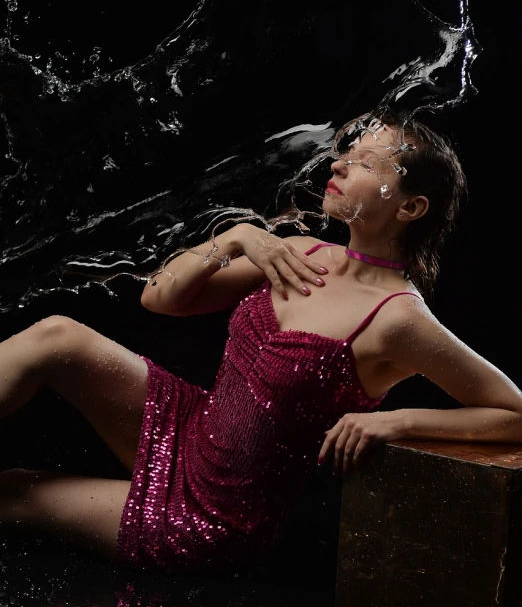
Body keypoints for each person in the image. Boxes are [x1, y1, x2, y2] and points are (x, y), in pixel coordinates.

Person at [1, 109, 521, 575]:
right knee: (56, 335)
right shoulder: (299, 252)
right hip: (188, 426)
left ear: (410, 208)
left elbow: (515, 413)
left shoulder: (397, 319)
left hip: (215, 516)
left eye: (366, 164)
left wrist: (395, 420)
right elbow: (161, 299)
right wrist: (236, 237)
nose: (337, 166)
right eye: (346, 154)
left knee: (11, 490)